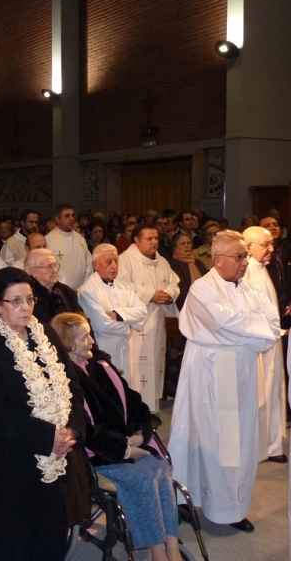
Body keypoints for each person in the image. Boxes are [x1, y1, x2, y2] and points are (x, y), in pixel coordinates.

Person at [0, 267, 89, 560]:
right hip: (16, 464)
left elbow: (72, 384)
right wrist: (49, 438)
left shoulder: (44, 333)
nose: (26, 308)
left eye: (30, 300)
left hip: (59, 458)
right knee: (19, 548)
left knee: (52, 544)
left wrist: (71, 430)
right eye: (16, 301)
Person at [169, 231, 279, 531]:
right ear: (218, 261)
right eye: (239, 256)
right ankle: (186, 500)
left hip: (241, 371)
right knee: (208, 437)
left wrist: (245, 330)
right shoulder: (203, 289)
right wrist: (248, 328)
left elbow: (271, 326)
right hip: (212, 372)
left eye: (245, 255)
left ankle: (230, 507)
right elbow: (223, 323)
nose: (245, 262)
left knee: (236, 442)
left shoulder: (250, 288)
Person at [50, 312, 183, 561]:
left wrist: (139, 434)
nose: (92, 341)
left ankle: (172, 548)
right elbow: (85, 431)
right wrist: (125, 447)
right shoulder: (63, 380)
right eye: (85, 337)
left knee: (160, 467)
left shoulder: (100, 367)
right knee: (145, 478)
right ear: (67, 342)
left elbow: (134, 402)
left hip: (126, 444)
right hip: (97, 456)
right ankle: (158, 553)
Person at [117, 224, 180, 412]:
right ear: (136, 240)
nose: (154, 242)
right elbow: (121, 286)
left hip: (157, 321)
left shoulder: (162, 261)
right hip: (137, 324)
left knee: (156, 365)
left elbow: (174, 282)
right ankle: (137, 409)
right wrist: (150, 294)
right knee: (137, 366)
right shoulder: (125, 260)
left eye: (156, 238)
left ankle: (152, 407)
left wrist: (168, 294)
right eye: (149, 238)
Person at [243, 226, 287, 463]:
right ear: (248, 247)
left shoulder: (263, 269)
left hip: (271, 343)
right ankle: (261, 447)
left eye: (272, 244)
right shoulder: (245, 272)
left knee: (274, 391)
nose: (271, 249)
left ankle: (272, 443)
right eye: (266, 244)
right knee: (261, 394)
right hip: (258, 346)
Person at [78, 244, 147, 384]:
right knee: (109, 386)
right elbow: (103, 326)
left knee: (126, 384)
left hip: (125, 346)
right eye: (109, 262)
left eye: (116, 261)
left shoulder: (123, 287)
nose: (114, 266)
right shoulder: (87, 291)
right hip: (105, 346)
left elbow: (142, 311)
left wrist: (118, 314)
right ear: (95, 265)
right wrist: (129, 325)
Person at [24, 248, 83, 325]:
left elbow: (82, 319)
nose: (55, 270)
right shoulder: (28, 296)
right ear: (33, 272)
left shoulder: (66, 291)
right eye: (49, 267)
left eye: (55, 265)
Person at [46, 204, 93, 290]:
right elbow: (47, 268)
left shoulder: (80, 239)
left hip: (81, 290)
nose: (71, 219)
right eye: (67, 216)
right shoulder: (48, 240)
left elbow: (88, 265)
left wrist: (84, 287)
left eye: (72, 215)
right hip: (59, 291)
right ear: (57, 219)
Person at [168, 232, 208, 310]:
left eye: (188, 243)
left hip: (205, 303)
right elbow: (181, 290)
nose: (186, 246)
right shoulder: (174, 265)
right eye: (183, 244)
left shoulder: (198, 263)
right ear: (175, 248)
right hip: (187, 306)